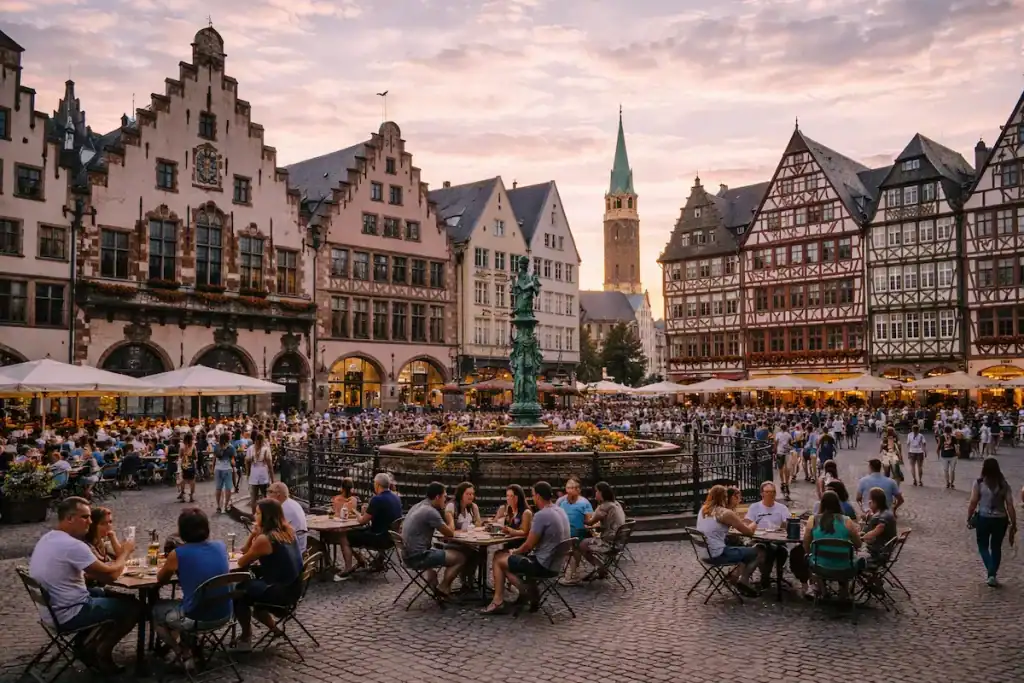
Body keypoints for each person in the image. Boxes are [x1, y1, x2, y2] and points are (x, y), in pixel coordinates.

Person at [28, 497, 140, 674]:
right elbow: (111, 575)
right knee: (133, 608)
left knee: (120, 597)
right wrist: (125, 552)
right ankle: (102, 652)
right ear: (69, 518)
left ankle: (85, 645)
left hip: (53, 609)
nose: (90, 521)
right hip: (70, 612)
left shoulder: (48, 538)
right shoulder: (72, 545)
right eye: (85, 517)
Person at [153, 507, 231, 670]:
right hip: (225, 613)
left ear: (181, 531)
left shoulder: (178, 554)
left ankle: (182, 652)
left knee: (155, 610)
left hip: (196, 617)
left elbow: (161, 579)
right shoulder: (221, 546)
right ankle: (187, 647)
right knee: (186, 602)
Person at [484, 481, 571, 614]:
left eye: (533, 495)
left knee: (498, 559)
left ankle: (499, 600)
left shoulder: (541, 515)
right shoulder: (560, 511)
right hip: (557, 564)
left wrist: (514, 552)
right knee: (505, 559)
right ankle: (530, 594)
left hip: (542, 565)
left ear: (538, 496)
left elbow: (528, 545)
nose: (532, 498)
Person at [234, 499, 303, 651]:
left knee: (238, 592)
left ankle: (246, 636)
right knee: (252, 589)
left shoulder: (265, 539)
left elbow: (242, 560)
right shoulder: (288, 531)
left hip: (281, 593)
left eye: (258, 513)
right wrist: (255, 534)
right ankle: (275, 630)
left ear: (266, 517)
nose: (254, 516)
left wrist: (253, 536)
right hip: (296, 588)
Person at [400, 481, 467, 598]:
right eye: (445, 497)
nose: (445, 500)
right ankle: (443, 588)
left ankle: (435, 581)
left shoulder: (418, 506)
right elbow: (450, 533)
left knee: (448, 549)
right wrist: (449, 516)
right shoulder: (430, 512)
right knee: (460, 557)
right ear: (437, 497)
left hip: (407, 554)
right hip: (418, 557)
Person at [694, 485, 764, 597]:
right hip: (718, 554)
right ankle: (744, 580)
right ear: (724, 497)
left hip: (703, 553)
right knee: (759, 551)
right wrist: (754, 523)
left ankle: (735, 576)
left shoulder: (703, 510)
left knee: (743, 548)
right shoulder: (725, 513)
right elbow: (748, 532)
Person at [337, 472, 403, 575]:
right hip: (391, 538)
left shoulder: (377, 499)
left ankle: (348, 568)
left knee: (344, 536)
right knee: (356, 532)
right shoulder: (396, 497)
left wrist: (354, 511)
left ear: (377, 485)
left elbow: (362, 521)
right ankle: (366, 561)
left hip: (379, 537)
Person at [802, 491, 862, 600]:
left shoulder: (813, 520)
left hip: (819, 566)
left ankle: (822, 589)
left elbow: (806, 544)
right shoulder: (847, 522)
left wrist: (810, 552)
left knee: (810, 557)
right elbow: (858, 544)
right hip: (845, 567)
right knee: (849, 558)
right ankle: (844, 591)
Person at [967, 457, 1017, 586]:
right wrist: (1013, 523)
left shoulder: (979, 483)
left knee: (983, 545)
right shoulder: (1004, 484)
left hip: (983, 517)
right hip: (1000, 519)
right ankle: (992, 574)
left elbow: (973, 502)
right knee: (996, 547)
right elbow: (1010, 505)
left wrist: (969, 516)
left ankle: (991, 572)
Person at [575, 481, 626, 583]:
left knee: (579, 545)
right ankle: (600, 568)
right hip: (619, 542)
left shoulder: (604, 507)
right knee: (587, 542)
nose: (595, 494)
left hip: (608, 543)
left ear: (601, 493)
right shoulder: (616, 504)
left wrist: (580, 516)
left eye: (596, 491)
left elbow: (590, 522)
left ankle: (600, 568)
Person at [268, 482, 309, 555]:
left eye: (270, 492)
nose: (267, 495)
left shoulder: (284, 509)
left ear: (278, 494)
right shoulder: (290, 503)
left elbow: (274, 531)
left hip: (294, 550)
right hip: (296, 544)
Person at [860, 486, 897, 565]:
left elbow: (880, 527)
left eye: (870, 500)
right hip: (883, 549)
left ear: (875, 502)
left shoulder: (881, 516)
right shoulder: (886, 512)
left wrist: (864, 537)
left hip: (878, 553)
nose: (869, 502)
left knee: (853, 558)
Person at [245, 431, 274, 514]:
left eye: (260, 440)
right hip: (254, 477)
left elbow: (270, 465)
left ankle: (265, 515)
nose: (259, 442)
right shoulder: (251, 449)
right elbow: (247, 461)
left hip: (263, 477)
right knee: (254, 498)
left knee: (265, 497)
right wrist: (248, 473)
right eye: (258, 440)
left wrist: (272, 479)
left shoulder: (265, 449)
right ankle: (254, 516)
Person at [213, 432, 236, 514]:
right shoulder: (231, 447)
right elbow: (233, 460)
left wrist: (213, 469)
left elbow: (214, 459)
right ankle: (225, 506)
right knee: (228, 488)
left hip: (218, 469)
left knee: (218, 488)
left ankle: (218, 506)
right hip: (227, 469)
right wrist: (234, 464)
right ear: (227, 439)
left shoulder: (216, 447)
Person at [177, 432, 198, 503]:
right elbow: (196, 457)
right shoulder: (193, 446)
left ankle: (183, 496)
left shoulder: (182, 446)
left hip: (183, 464)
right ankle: (191, 496)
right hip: (191, 464)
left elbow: (179, 456)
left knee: (183, 480)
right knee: (192, 481)